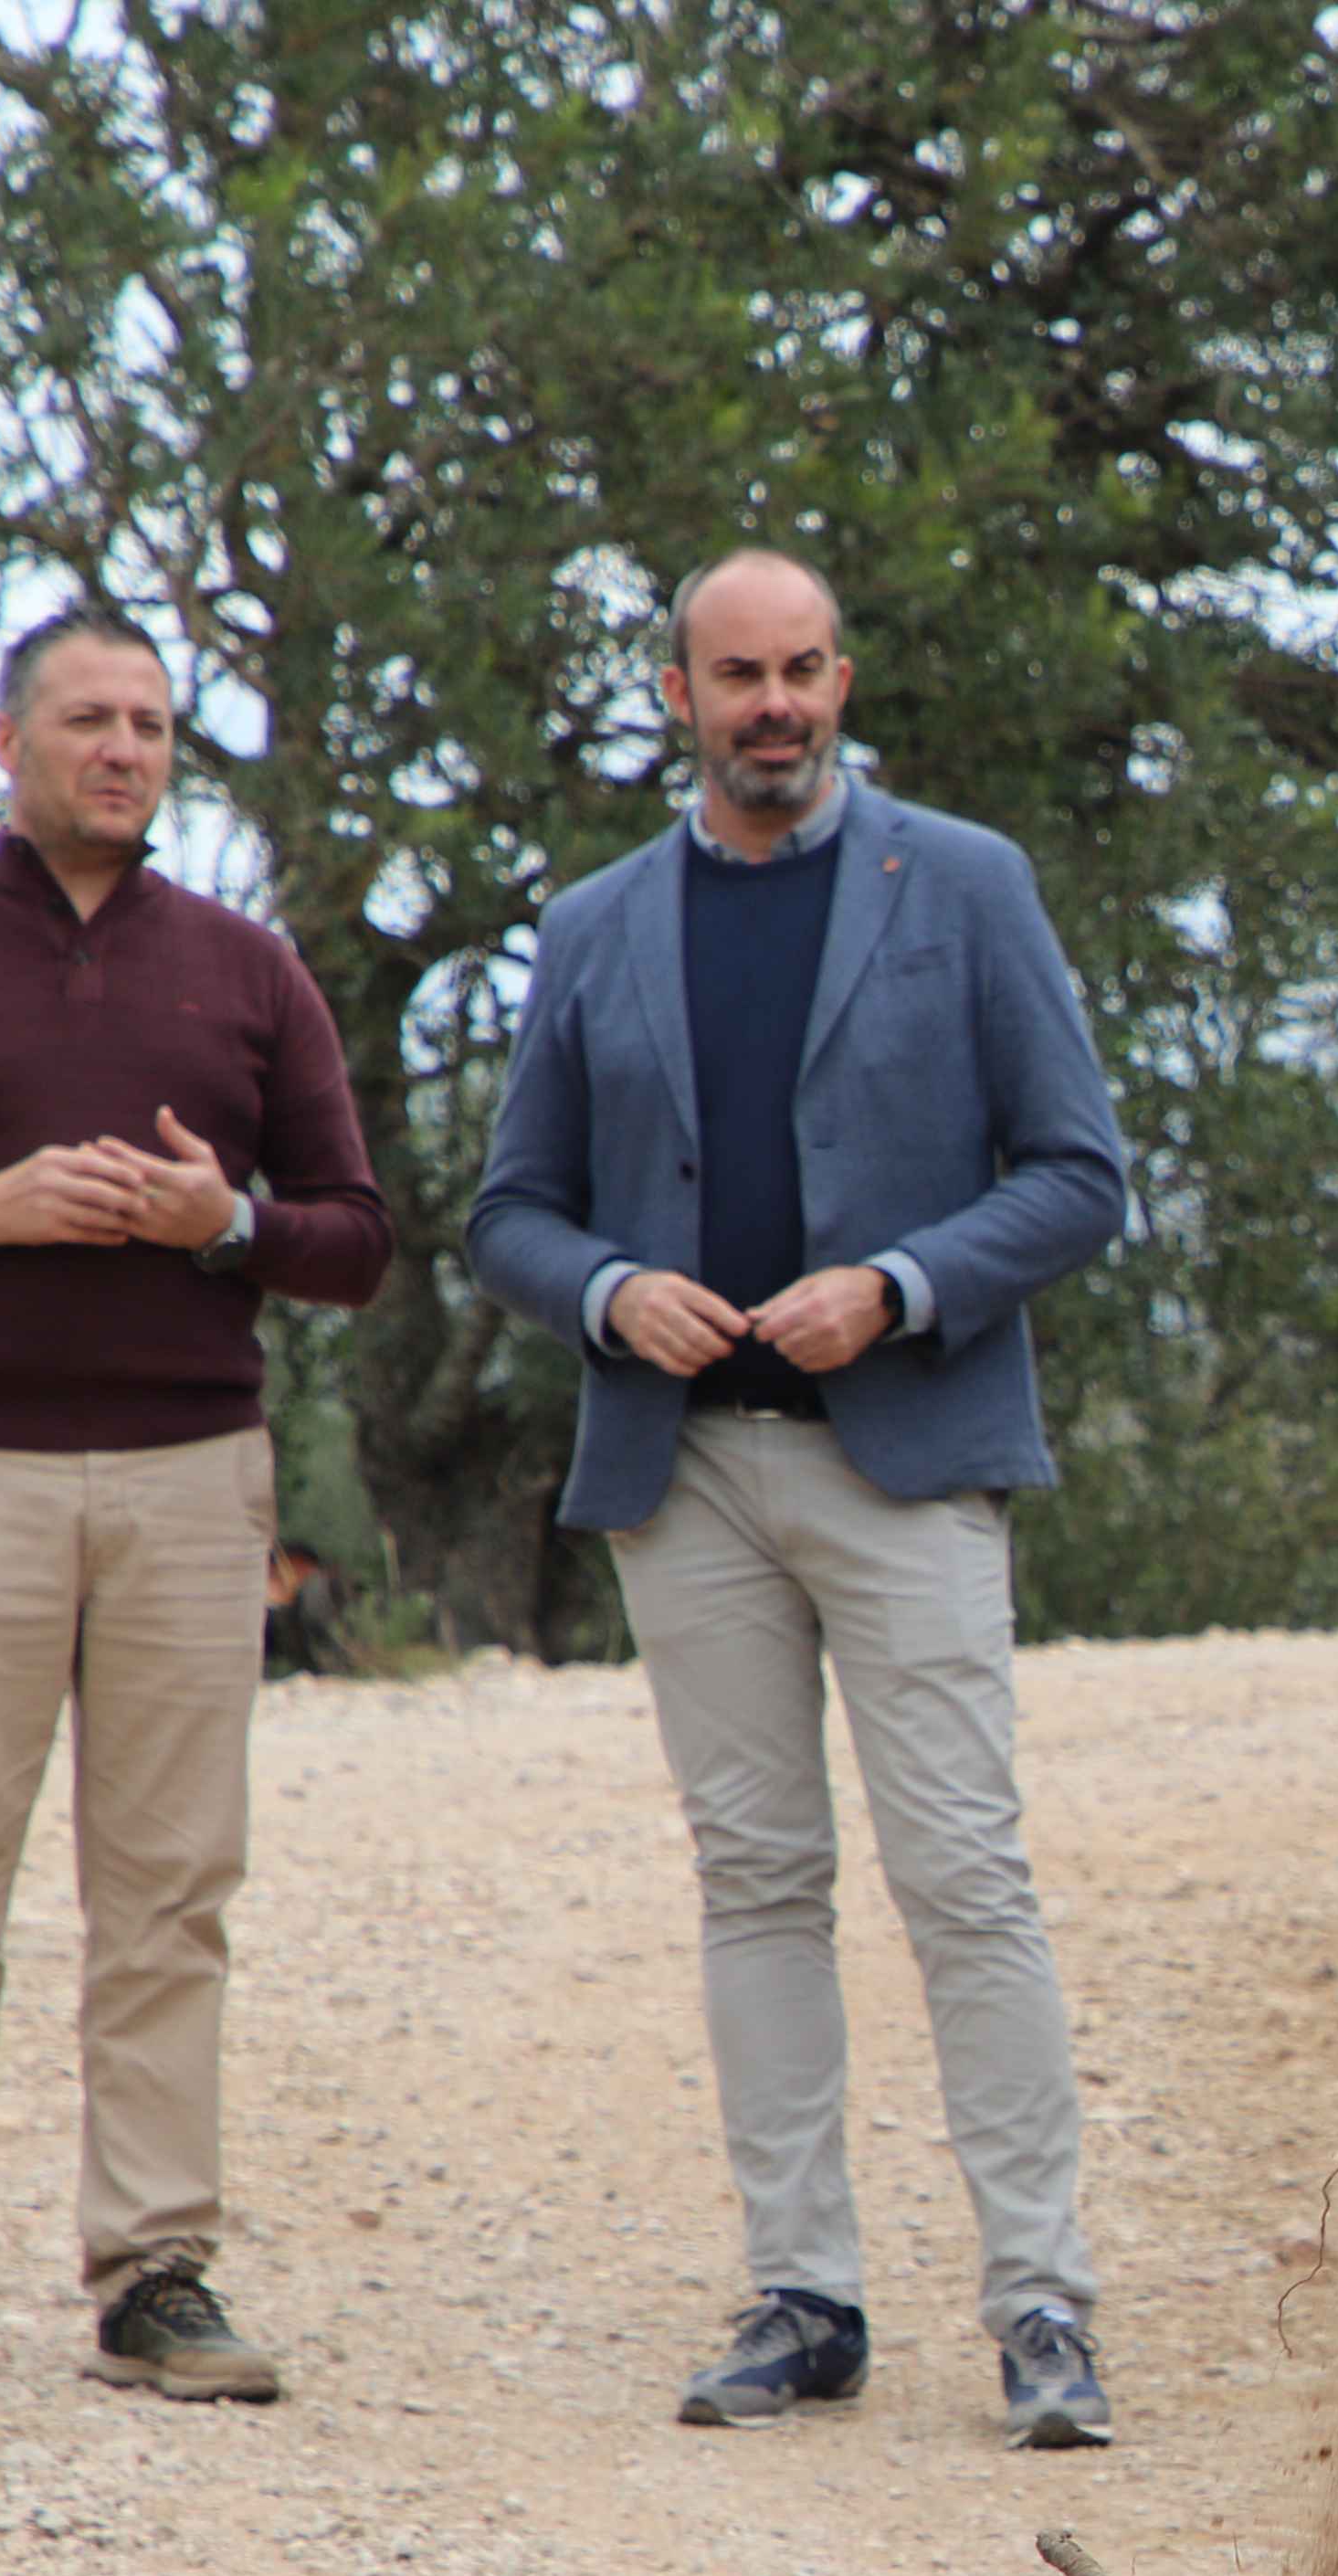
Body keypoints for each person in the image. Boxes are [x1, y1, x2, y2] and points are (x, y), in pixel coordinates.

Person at [469, 545, 1135, 2449]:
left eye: (804, 670)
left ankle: (1042, 2308)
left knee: (965, 1878)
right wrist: (607, 1292)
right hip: (686, 1479)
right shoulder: (595, 924)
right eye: (736, 674)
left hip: (906, 1465)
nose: (775, 702)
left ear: (846, 682)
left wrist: (901, 1287)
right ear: (674, 693)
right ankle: (805, 2295)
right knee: (756, 1882)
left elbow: (1080, 1172)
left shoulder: (970, 886)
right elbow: (509, 1210)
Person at [0, 598, 396, 2421]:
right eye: (91, 721)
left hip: (195, 1486)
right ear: (9, 745)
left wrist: (230, 1228)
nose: (126, 752)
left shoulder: (249, 973)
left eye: (156, 728)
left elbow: (356, 1245)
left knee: (170, 1893)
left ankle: (155, 2274)